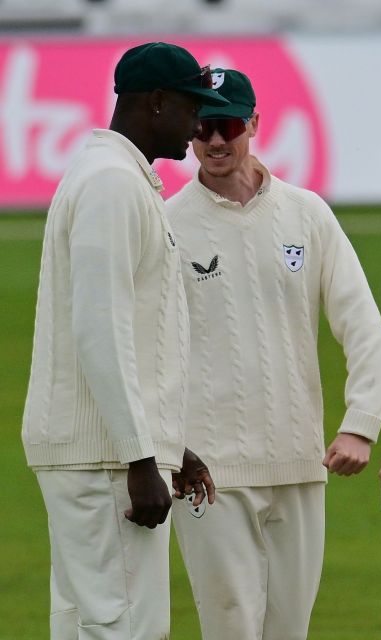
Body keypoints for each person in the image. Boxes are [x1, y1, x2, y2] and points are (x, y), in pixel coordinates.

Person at [166, 68, 381, 639]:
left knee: (289, 627)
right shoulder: (167, 223)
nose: (216, 140)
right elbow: (145, 344)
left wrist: (362, 423)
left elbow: (362, 324)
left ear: (255, 124)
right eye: (203, 126)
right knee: (232, 625)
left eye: (229, 124)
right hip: (208, 466)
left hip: (298, 460)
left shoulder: (306, 213)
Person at [21, 42, 224, 639]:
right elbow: (99, 327)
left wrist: (168, 444)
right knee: (127, 627)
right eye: (191, 107)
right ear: (156, 103)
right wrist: (140, 457)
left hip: (102, 451)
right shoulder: (112, 183)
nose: (198, 126)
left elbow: (131, 330)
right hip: (106, 459)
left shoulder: (116, 176)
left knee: (87, 624)